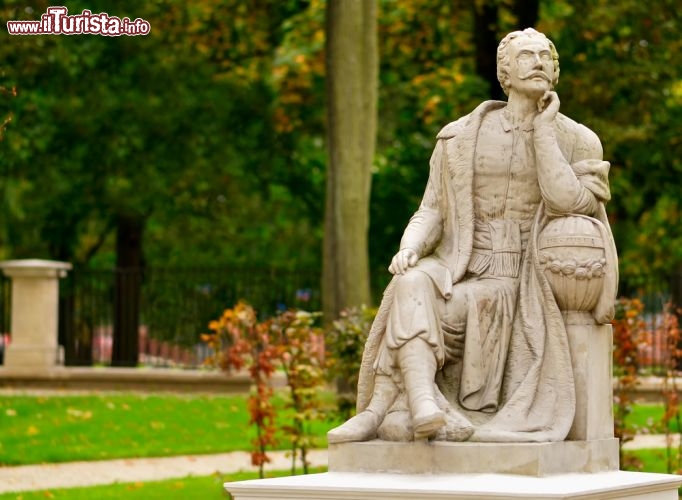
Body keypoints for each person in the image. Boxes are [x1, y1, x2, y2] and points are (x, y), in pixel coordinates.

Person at [328, 28, 617, 444]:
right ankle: (406, 405)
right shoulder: (459, 136)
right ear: (504, 71)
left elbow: (570, 202)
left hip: (526, 280)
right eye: (525, 56)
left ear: (555, 71)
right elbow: (432, 209)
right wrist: (409, 247)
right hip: (463, 270)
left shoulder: (577, 139)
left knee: (420, 292)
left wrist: (544, 130)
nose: (537, 62)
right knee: (409, 282)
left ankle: (392, 408)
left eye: (545, 57)